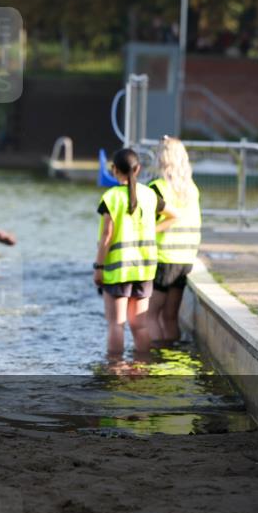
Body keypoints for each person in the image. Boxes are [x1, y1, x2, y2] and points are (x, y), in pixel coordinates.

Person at [93, 149, 176, 358]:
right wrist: (152, 230)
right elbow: (173, 215)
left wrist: (99, 267)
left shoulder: (110, 198)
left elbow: (106, 236)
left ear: (114, 170)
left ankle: (115, 368)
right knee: (139, 325)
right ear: (138, 169)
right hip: (145, 269)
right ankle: (143, 364)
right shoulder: (149, 195)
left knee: (116, 324)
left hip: (117, 270)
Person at [146, 137, 201, 346]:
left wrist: (148, 232)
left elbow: (157, 221)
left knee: (149, 316)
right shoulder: (191, 189)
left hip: (164, 258)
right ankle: (171, 358)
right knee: (170, 317)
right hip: (185, 259)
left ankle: (155, 360)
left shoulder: (157, 188)